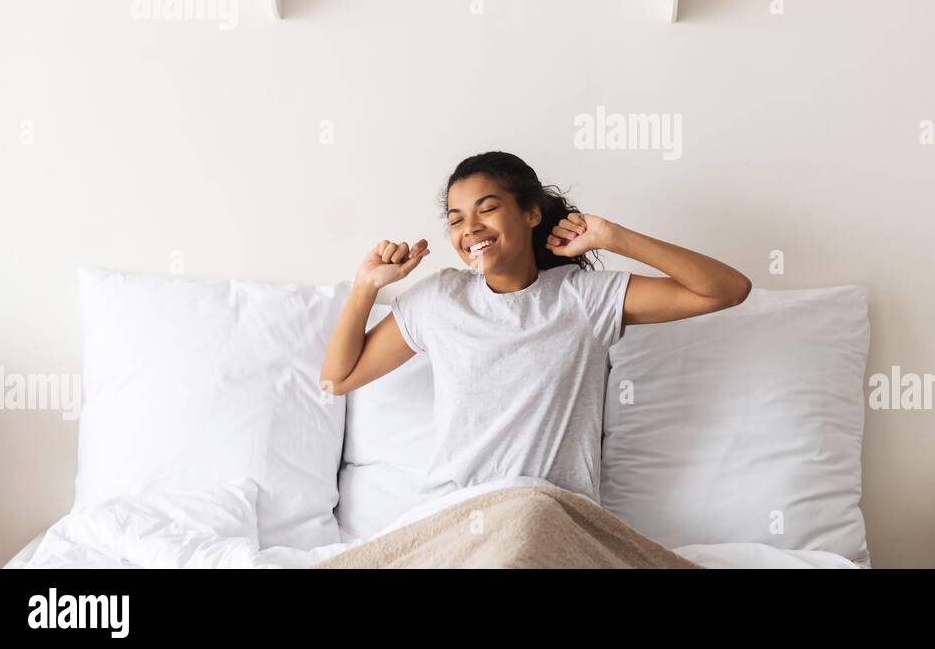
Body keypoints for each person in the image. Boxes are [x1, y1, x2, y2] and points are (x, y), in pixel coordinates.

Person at [319, 150, 751, 505]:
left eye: (487, 209)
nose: (470, 229)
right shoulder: (438, 300)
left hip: (549, 515)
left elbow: (726, 290)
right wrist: (366, 286)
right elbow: (336, 380)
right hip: (453, 515)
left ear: (530, 214)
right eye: (455, 219)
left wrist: (612, 236)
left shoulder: (584, 298)